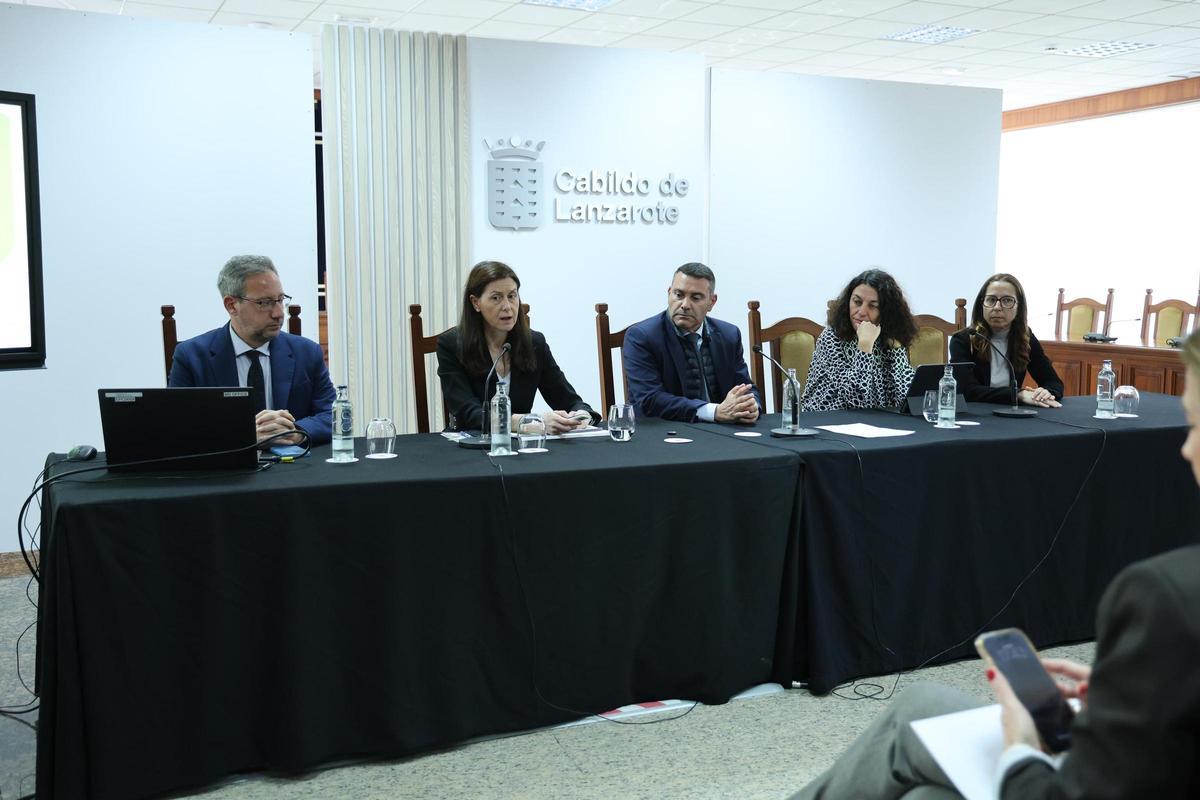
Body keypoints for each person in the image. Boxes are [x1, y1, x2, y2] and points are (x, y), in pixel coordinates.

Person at [790, 328, 1200, 800]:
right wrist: (1139, 696)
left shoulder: (1166, 596)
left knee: (920, 735)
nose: (1184, 449)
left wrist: (1021, 747)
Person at [168, 255, 334, 445]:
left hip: (294, 466)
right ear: (232, 305)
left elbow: (332, 415)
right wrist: (243, 435)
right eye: (264, 303)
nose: (279, 313)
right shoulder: (192, 356)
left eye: (280, 300)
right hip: (228, 469)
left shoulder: (307, 352)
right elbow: (180, 426)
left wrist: (295, 431)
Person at [437, 260, 596, 434]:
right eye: (496, 298)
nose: (507, 306)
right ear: (476, 303)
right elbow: (469, 414)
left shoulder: (534, 343)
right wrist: (531, 422)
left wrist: (581, 416)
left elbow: (567, 399)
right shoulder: (452, 345)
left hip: (521, 449)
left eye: (512, 296)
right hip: (472, 447)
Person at [623, 262, 760, 423]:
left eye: (695, 298)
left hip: (724, 430)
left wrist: (751, 406)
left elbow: (745, 387)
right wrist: (714, 412)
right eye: (678, 295)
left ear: (712, 302)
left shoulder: (728, 335)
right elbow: (649, 399)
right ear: (669, 293)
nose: (685, 305)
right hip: (667, 431)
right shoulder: (642, 336)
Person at [800, 269, 917, 412]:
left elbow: (905, 399)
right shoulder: (832, 337)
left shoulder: (887, 339)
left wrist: (897, 349)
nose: (861, 312)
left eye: (872, 306)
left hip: (876, 423)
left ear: (886, 312)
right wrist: (865, 346)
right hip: (829, 421)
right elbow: (855, 399)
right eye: (857, 302)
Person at [949, 273, 1063, 407]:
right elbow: (967, 391)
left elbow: (1054, 383)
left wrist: (1045, 393)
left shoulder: (1025, 337)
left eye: (1007, 300)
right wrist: (1017, 394)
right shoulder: (963, 340)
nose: (997, 307)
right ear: (982, 304)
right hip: (976, 415)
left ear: (1018, 307)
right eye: (991, 300)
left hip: (1011, 414)